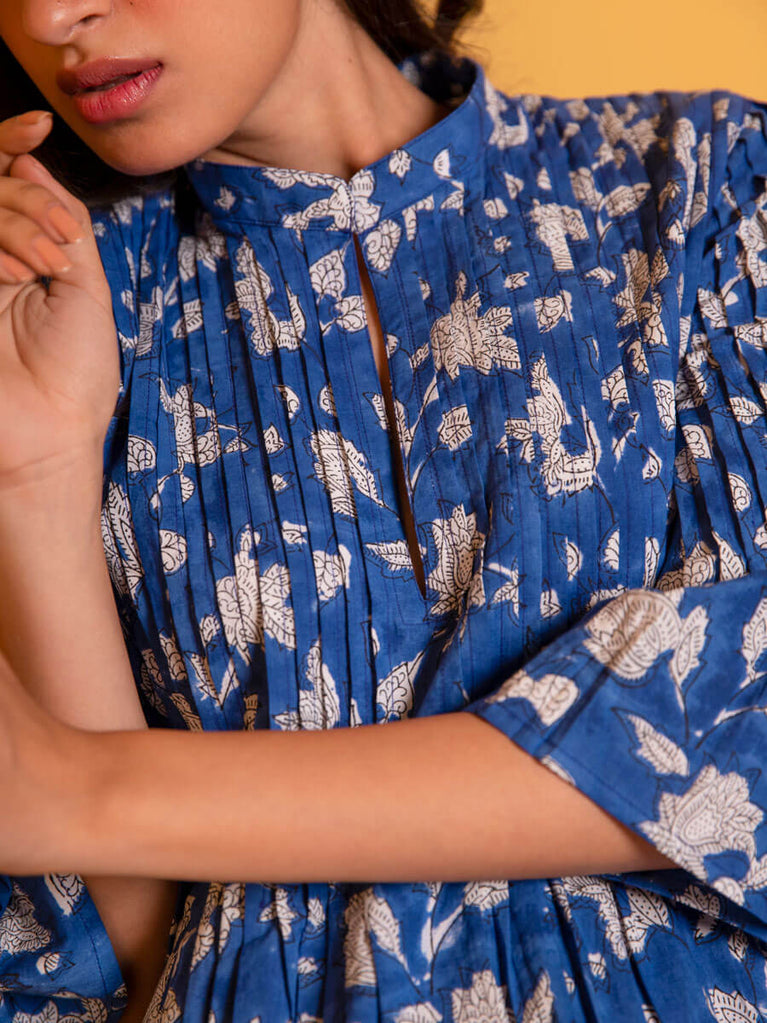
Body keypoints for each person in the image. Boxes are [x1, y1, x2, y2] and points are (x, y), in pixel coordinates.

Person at [0, 0, 765, 1019]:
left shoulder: (707, 184)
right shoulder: (62, 304)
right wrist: (35, 474)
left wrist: (87, 789)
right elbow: (115, 970)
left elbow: (738, 729)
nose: (52, 14)